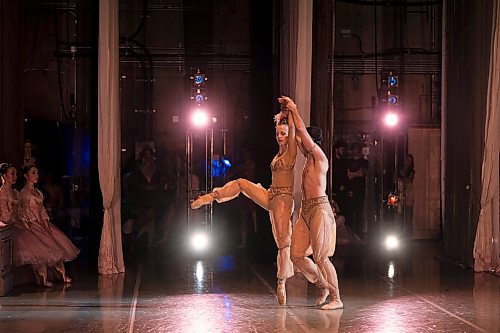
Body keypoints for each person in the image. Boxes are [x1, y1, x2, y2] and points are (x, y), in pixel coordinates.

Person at [191, 97, 297, 305]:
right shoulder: (278, 154)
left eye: (283, 134)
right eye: (277, 134)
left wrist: (290, 111)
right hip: (272, 194)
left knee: (283, 242)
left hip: (283, 199)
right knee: (240, 183)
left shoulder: (291, 151)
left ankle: (281, 282)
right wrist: (281, 118)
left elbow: (293, 131)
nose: (280, 137)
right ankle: (210, 197)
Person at [283, 96, 343, 310]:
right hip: (306, 210)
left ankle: (336, 297)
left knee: (320, 256)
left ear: (312, 141)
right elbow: (295, 136)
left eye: (305, 138)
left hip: (319, 208)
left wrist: (295, 109)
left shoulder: (319, 156)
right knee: (296, 255)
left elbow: (301, 133)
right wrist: (286, 116)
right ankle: (323, 284)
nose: (301, 141)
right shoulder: (307, 156)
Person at [18, 165, 80, 286]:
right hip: (31, 224)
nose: (36, 175)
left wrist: (45, 222)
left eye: (37, 173)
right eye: (33, 173)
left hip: (41, 222)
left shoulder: (38, 192)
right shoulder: (24, 193)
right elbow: (24, 212)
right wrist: (33, 224)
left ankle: (60, 274)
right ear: (26, 176)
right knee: (42, 249)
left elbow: (42, 210)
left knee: (57, 244)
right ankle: (42, 277)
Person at [346, 142, 369, 237]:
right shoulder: (348, 162)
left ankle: (358, 233)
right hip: (350, 189)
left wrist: (353, 174)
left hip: (360, 189)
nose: (356, 151)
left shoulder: (364, 162)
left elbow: (362, 173)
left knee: (359, 212)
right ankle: (350, 232)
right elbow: (348, 176)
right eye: (354, 149)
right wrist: (355, 174)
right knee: (350, 211)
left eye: (357, 149)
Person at [398, 154, 415, 236]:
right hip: (397, 192)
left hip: (408, 192)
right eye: (406, 160)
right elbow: (393, 179)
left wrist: (399, 180)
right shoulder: (398, 169)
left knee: (408, 212)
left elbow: (408, 180)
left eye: (409, 161)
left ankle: (408, 233)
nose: (407, 162)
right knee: (397, 212)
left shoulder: (412, 171)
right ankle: (398, 231)